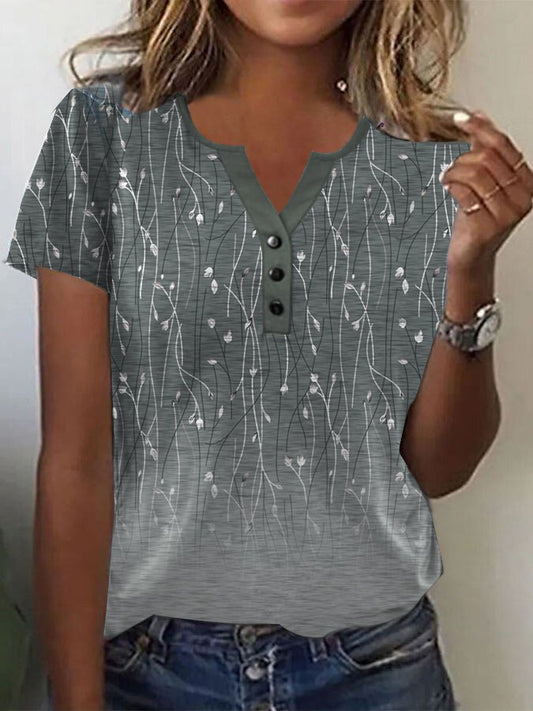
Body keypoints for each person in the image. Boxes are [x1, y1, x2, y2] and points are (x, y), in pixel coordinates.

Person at [3, 0, 532, 709]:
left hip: (375, 669)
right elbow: (75, 462)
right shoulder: (102, 133)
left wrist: (471, 269)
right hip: (146, 669)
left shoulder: (437, 157)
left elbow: (439, 468)